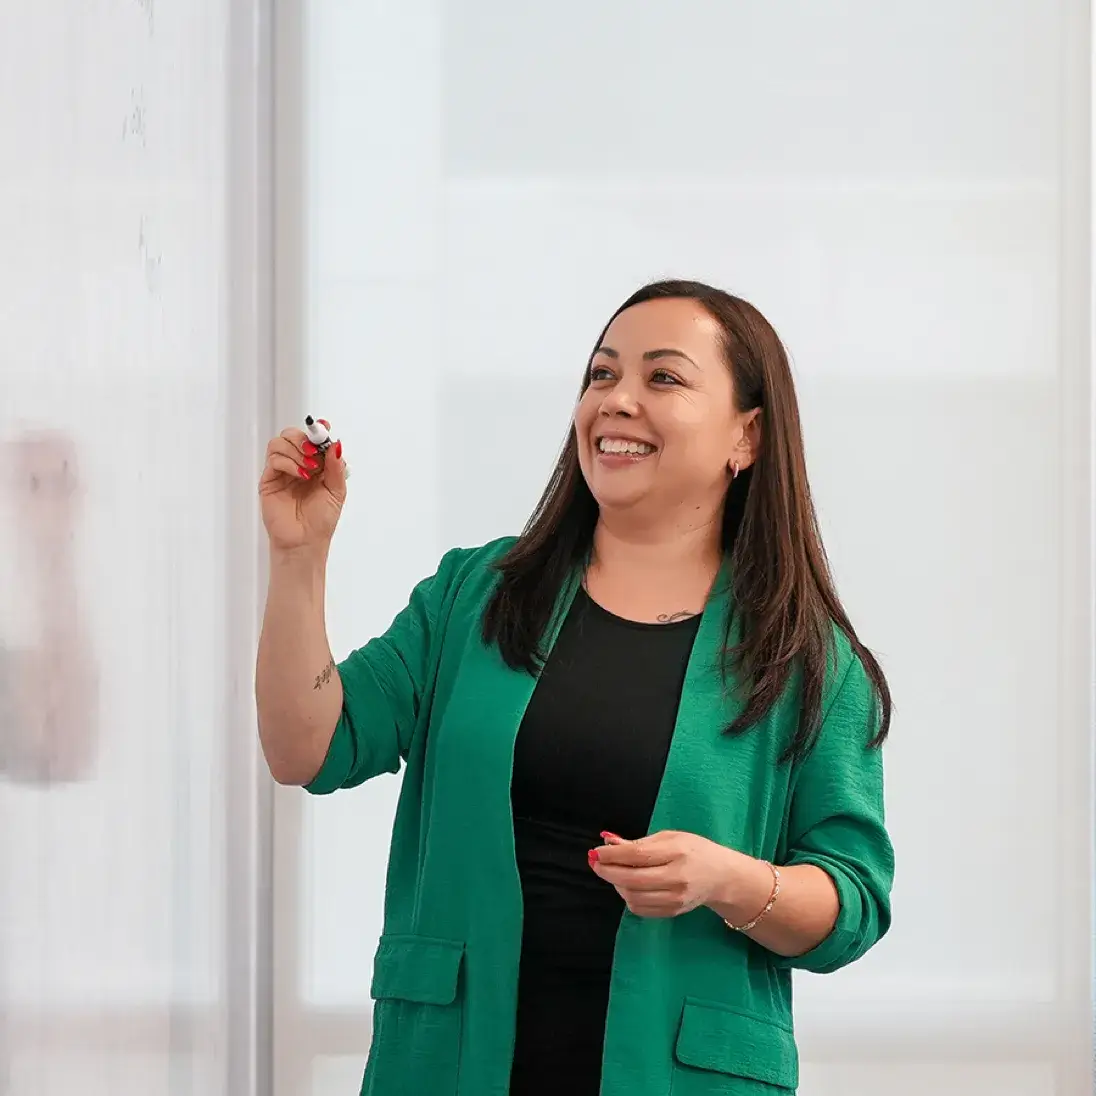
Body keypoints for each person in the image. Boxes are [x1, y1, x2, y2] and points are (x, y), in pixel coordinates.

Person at [255, 280, 895, 1096]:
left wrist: (725, 878)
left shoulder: (805, 660)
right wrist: (298, 557)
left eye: (663, 377)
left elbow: (852, 902)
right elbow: (304, 748)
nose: (616, 400)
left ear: (747, 435)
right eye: (602, 374)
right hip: (450, 1065)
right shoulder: (474, 596)